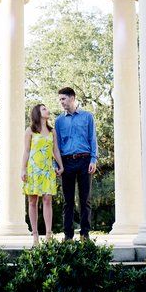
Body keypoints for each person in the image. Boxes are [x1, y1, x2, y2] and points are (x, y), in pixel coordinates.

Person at [54, 86, 97, 240]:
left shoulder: (87, 117)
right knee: (68, 201)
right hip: (66, 163)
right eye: (59, 100)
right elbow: (56, 145)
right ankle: (68, 236)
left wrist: (93, 159)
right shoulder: (58, 121)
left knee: (85, 199)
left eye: (63, 99)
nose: (61, 102)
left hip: (85, 160)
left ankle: (85, 234)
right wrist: (57, 166)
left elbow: (93, 139)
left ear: (72, 98)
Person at [21, 103, 63, 243]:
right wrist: (23, 169)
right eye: (44, 109)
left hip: (47, 169)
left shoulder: (52, 131)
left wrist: (60, 166)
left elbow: (55, 150)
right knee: (32, 201)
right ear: (37, 113)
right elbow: (26, 151)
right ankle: (35, 235)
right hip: (33, 168)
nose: (47, 110)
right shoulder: (30, 130)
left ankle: (49, 234)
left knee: (47, 199)